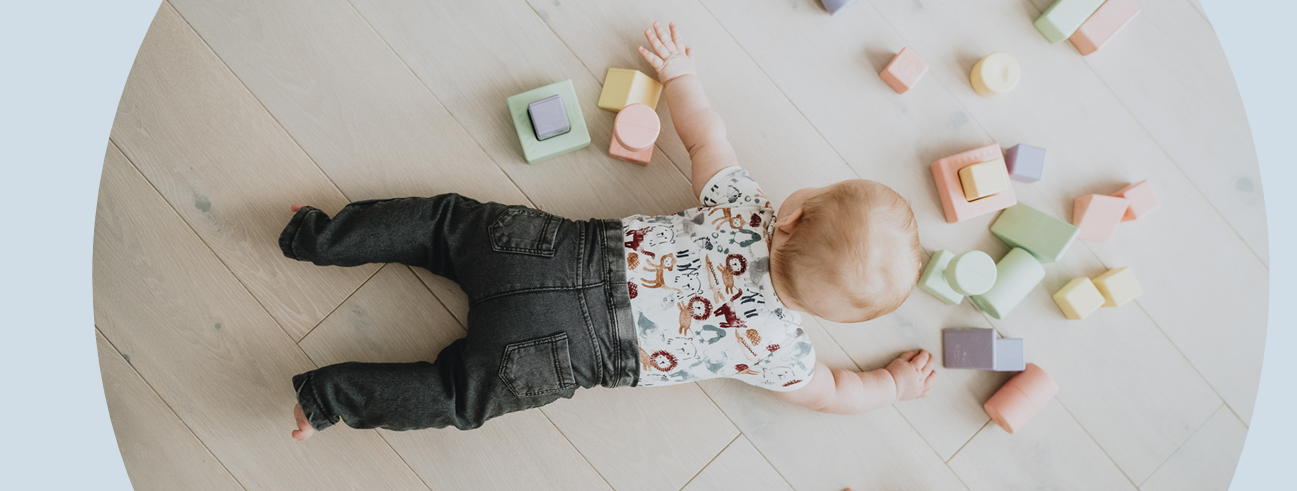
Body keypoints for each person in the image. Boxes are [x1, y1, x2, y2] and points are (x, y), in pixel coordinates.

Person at [284, 21, 935, 441]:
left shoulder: (745, 210)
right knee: (456, 395)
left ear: (794, 214)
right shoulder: (779, 350)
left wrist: (680, 72)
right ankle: (327, 397)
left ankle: (317, 235)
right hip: (568, 355)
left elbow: (704, 133)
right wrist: (896, 384)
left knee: (442, 225)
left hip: (549, 255)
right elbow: (835, 394)